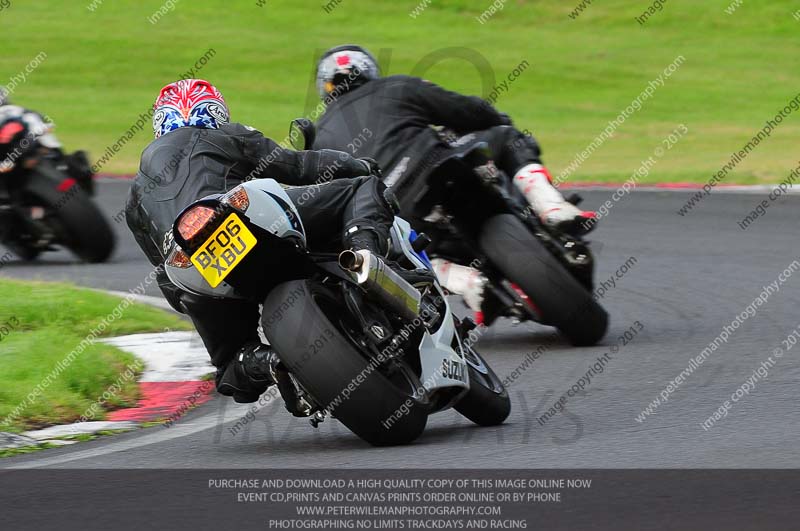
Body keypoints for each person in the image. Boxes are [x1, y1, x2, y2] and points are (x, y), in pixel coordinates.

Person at [125, 78, 399, 407]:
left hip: (187, 263)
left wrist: (197, 303)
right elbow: (300, 167)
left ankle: (264, 362)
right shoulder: (225, 134)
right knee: (361, 187)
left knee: (230, 369)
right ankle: (364, 256)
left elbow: (164, 277)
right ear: (216, 111)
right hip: (239, 216)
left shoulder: (134, 196)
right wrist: (357, 164)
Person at [312, 44, 598, 321]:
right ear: (368, 70)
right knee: (506, 136)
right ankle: (551, 207)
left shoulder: (318, 139)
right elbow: (466, 110)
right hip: (437, 167)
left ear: (325, 88)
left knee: (397, 254)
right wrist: (497, 118)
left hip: (393, 210)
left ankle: (466, 281)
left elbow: (330, 200)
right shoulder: (397, 86)